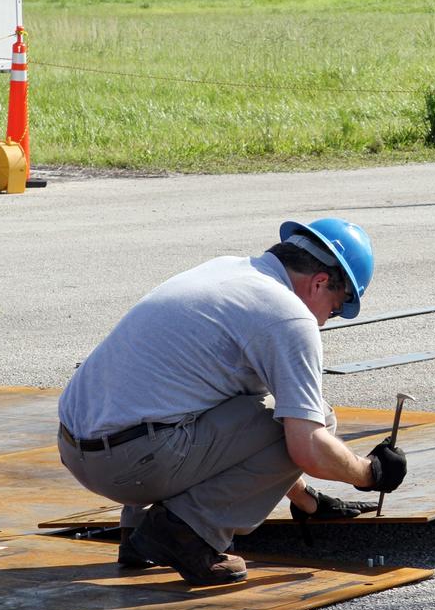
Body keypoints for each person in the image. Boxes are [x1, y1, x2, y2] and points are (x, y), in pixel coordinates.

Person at [57, 218, 407, 586]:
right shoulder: (289, 316)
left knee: (224, 404)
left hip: (78, 449)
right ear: (319, 282)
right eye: (334, 308)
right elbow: (306, 447)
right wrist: (370, 473)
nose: (324, 321)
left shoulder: (225, 271)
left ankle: (140, 532)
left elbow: (236, 431)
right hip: (132, 462)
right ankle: (186, 535)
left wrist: (307, 500)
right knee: (317, 420)